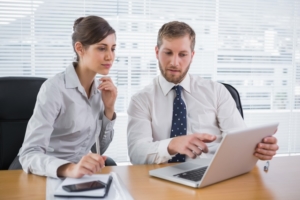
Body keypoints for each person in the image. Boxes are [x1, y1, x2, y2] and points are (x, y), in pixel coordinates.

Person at [127, 21, 279, 165]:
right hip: (161, 178)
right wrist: (172, 145)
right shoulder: (141, 100)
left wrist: (258, 149)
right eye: (168, 52)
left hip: (212, 173)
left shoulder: (217, 91)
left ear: (192, 56)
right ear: (157, 52)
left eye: (182, 54)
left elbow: (239, 142)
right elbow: (136, 153)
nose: (174, 62)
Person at [17, 16, 117, 178]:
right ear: (80, 48)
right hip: (44, 172)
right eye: (101, 48)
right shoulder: (54, 88)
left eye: (113, 48)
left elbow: (99, 149)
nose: (110, 56)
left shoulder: (100, 90)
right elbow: (29, 153)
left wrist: (109, 110)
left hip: (79, 173)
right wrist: (70, 168)